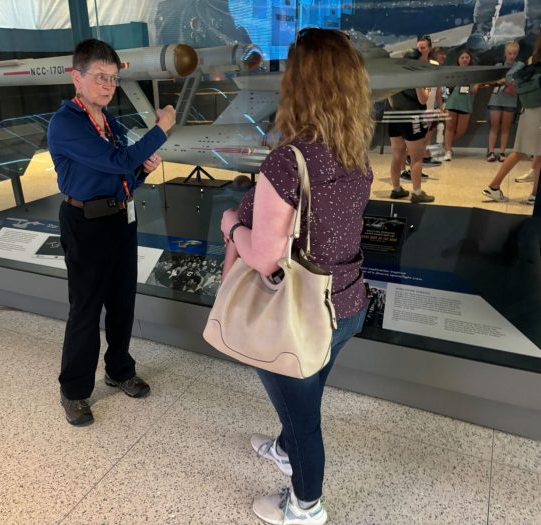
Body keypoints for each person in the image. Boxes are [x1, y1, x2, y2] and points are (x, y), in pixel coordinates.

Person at [219, 28, 373, 524]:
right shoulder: (356, 154)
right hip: (346, 305)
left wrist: (231, 225)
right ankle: (285, 448)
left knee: (305, 418)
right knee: (307, 391)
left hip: (298, 312)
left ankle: (306, 506)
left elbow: (264, 258)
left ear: (297, 84)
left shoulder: (288, 161)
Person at [47, 39, 176, 426]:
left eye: (114, 78)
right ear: (77, 76)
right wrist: (161, 129)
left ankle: (119, 370)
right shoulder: (67, 123)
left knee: (122, 303)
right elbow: (117, 159)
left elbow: (122, 175)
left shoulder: (110, 122)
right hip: (85, 224)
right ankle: (73, 390)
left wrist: (143, 171)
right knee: (86, 309)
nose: (108, 85)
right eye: (100, 77)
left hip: (121, 219)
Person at [483, 34, 541, 204]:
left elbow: (511, 78)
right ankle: (496, 186)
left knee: (525, 152)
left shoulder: (532, 59)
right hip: (538, 111)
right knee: (523, 152)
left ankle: (532, 194)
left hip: (528, 109)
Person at [386, 76, 435, 203]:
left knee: (397, 156)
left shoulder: (391, 79)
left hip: (394, 117)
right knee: (416, 157)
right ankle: (417, 193)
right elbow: (423, 100)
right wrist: (427, 91)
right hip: (412, 117)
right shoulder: (415, 78)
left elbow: (391, 103)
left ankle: (396, 190)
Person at [486, 41, 525, 162]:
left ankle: (502, 152)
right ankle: (490, 151)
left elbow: (523, 82)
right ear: (505, 53)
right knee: (494, 125)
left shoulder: (521, 66)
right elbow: (490, 80)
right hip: (496, 98)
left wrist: (514, 83)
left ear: (517, 53)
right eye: (509, 53)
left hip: (511, 99)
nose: (512, 56)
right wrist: (498, 81)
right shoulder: (499, 65)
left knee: (506, 127)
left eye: (514, 53)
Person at [443, 49, 480, 161]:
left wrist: (476, 85)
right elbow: (446, 86)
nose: (464, 60)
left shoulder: (474, 72)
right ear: (458, 60)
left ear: (470, 59)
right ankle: (448, 150)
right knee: (449, 127)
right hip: (452, 101)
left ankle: (446, 144)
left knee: (461, 130)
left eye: (467, 57)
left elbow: (476, 87)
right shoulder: (454, 71)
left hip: (466, 103)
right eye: (462, 58)